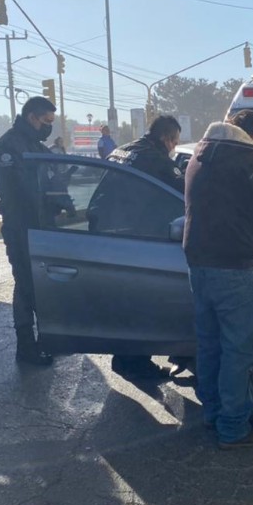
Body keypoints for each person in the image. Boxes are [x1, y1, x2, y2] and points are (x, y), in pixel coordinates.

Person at [183, 109, 253, 449]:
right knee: (238, 350)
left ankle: (212, 413)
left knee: (210, 343)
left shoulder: (199, 155)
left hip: (198, 264)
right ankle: (233, 428)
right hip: (235, 266)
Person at [106, 115, 186, 379]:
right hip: (138, 238)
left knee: (122, 304)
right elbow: (185, 192)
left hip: (110, 233)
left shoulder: (123, 151)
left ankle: (123, 358)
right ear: (166, 137)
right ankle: (135, 363)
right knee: (140, 304)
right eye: (174, 141)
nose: (174, 147)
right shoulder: (156, 160)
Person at [0, 97, 58, 366]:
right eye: (47, 122)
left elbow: (51, 181)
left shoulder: (34, 145)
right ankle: (26, 346)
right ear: (32, 117)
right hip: (22, 228)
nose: (49, 127)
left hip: (41, 228)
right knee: (27, 286)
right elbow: (19, 193)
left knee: (40, 286)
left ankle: (46, 340)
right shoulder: (8, 149)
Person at [108, 114, 184, 192]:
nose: (173, 148)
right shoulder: (159, 161)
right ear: (165, 138)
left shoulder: (117, 151)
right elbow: (183, 189)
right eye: (175, 143)